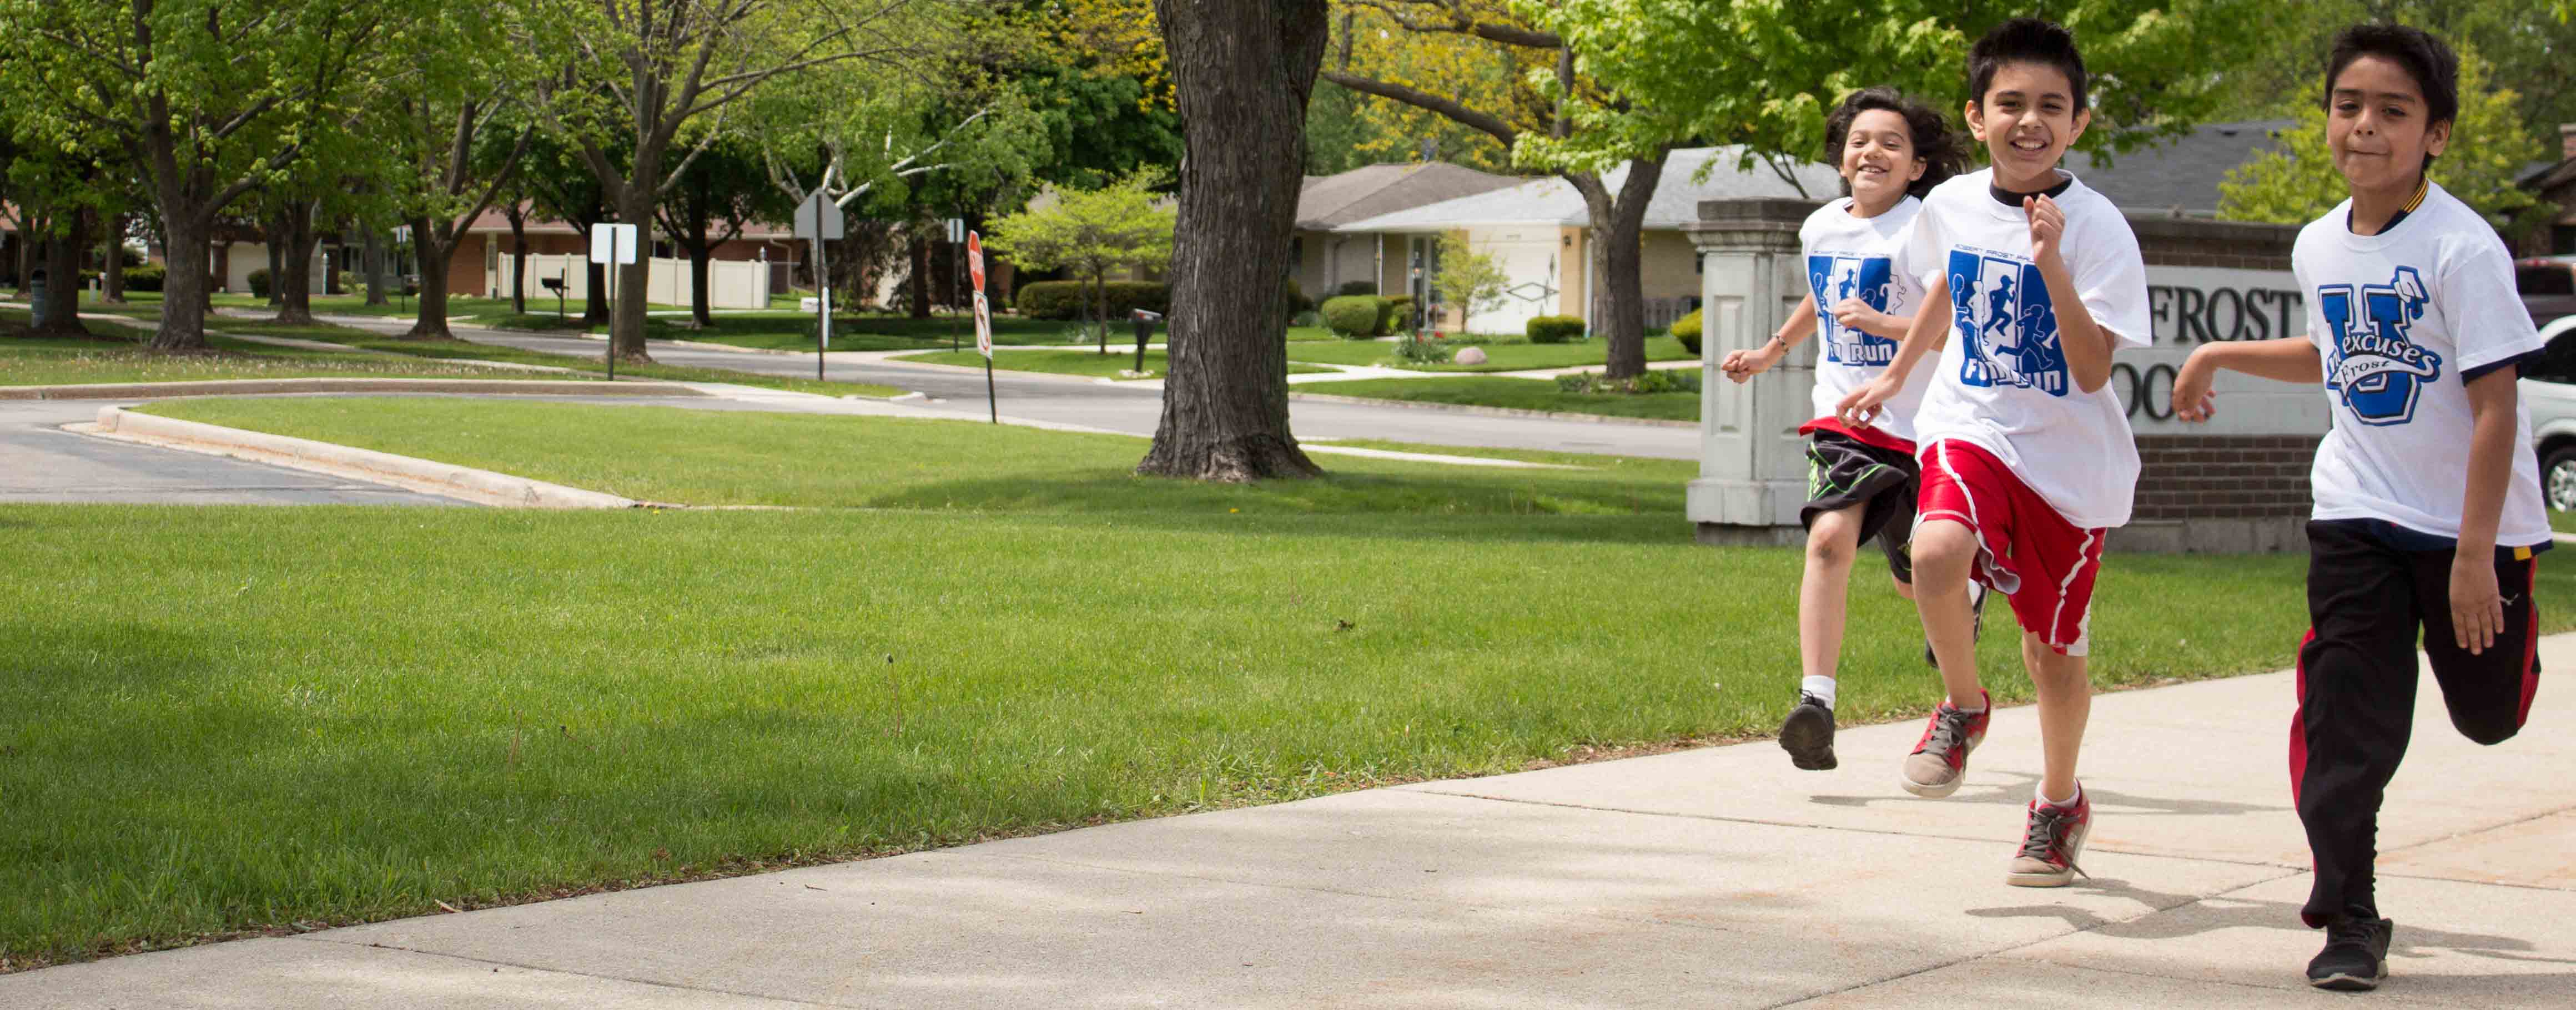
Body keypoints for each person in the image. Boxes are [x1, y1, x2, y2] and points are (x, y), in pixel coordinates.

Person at [2169, 24, 2548, 993]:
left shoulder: (2464, 248)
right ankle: (2348, 915)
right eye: (2349, 107)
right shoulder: (2317, 243)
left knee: (2489, 717)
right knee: (2349, 724)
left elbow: (2496, 404)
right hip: (2355, 517)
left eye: (2394, 111)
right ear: (2328, 120)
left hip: (2472, 531)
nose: (2367, 128)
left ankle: (2511, 643)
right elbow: (2333, 354)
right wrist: (2217, 354)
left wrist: (2474, 557)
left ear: (2437, 135)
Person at [1835, 17, 2152, 887]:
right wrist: (1898, 372)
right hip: (1971, 425)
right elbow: (1947, 284)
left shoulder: (2099, 229)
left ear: (2079, 122)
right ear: (1977, 117)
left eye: (2052, 105)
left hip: (2067, 469)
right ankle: (1964, 707)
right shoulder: (1951, 205)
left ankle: (2057, 804)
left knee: (2054, 653)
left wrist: (2050, 262)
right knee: (1935, 551)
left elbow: (2091, 372)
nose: (2030, 121)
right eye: (2010, 103)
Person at [1720, 86, 1968, 771]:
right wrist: (1773, 348)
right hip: (1843, 418)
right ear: (1839, 157)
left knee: (1917, 574)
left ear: (1917, 165)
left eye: (1892, 143)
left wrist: (1884, 326)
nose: (1872, 152)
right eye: (1859, 140)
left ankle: (1960, 601)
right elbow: (1821, 298)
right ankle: (1815, 704)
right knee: (1827, 540)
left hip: (1922, 427)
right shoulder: (1822, 226)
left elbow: (1949, 324)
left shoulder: (1925, 226)